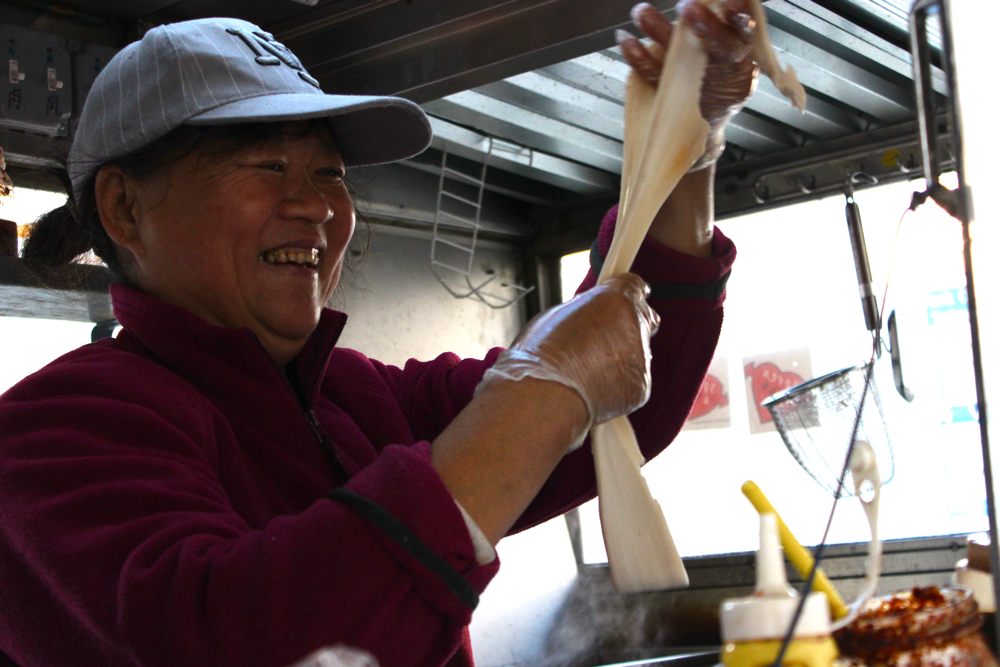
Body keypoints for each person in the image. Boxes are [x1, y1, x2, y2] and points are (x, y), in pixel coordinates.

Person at [0, 1, 754, 666]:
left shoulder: (359, 398)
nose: (316, 206)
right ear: (126, 209)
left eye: (329, 173)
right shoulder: (50, 434)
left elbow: (622, 401)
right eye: (267, 164)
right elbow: (241, 642)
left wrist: (686, 141)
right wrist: (541, 395)